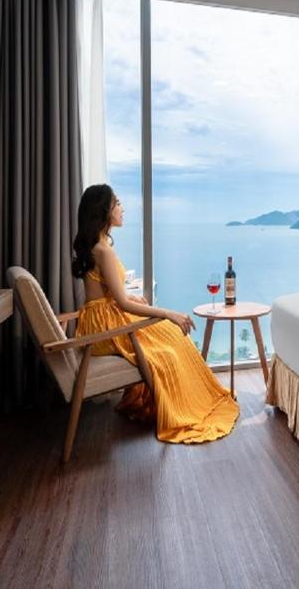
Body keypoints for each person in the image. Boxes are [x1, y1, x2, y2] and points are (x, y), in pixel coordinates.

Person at [71, 184, 238, 443]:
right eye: (117, 203)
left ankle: (191, 397)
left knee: (172, 335)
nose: (122, 208)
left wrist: (131, 298)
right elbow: (123, 304)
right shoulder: (103, 250)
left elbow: (110, 295)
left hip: (99, 320)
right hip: (105, 328)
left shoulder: (98, 245)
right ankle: (183, 407)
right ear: (104, 211)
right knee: (170, 341)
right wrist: (169, 312)